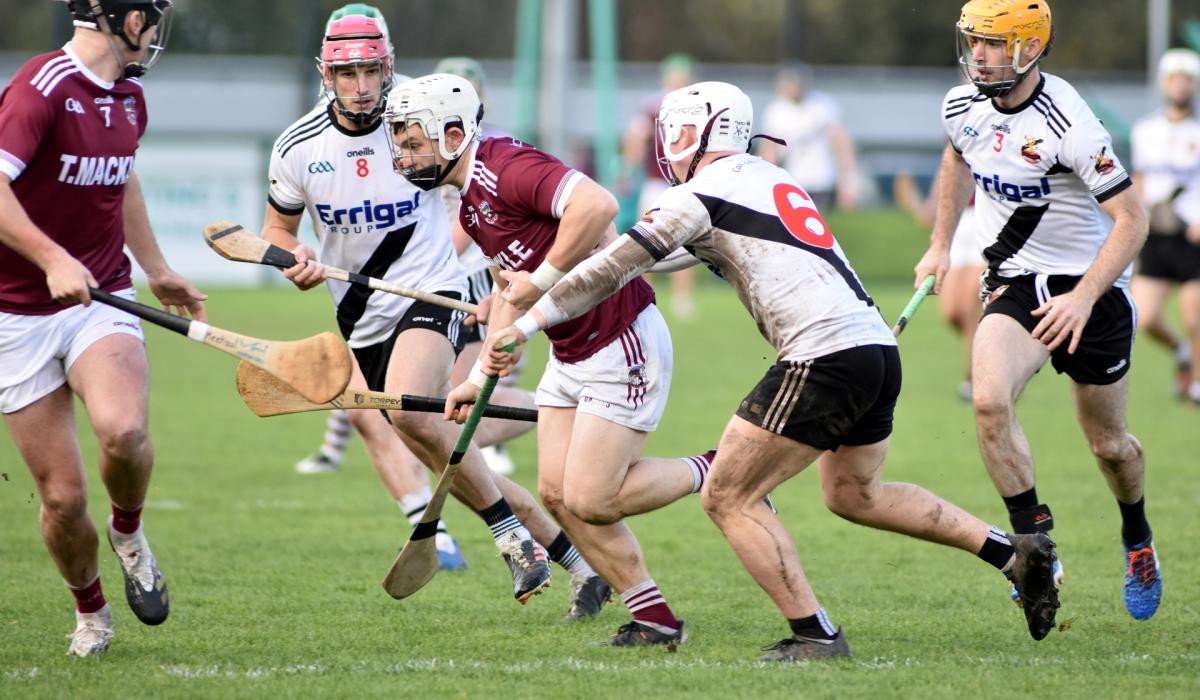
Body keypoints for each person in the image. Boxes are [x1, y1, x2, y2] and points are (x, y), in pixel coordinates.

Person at [471, 79, 1061, 660]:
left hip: (822, 356)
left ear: (705, 132)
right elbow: (637, 261)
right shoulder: (768, 178)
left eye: (676, 131)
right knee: (856, 494)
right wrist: (530, 279)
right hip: (874, 351)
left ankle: (816, 635)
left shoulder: (698, 194)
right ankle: (1013, 553)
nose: (668, 144)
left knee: (728, 495)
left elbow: (613, 269)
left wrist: (523, 320)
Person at [262, 13, 607, 615]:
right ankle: (579, 566)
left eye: (371, 70)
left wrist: (493, 283)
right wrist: (293, 258)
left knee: (415, 412)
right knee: (460, 460)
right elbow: (277, 230)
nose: (363, 86)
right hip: (359, 318)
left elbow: (478, 187)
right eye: (348, 73)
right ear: (327, 75)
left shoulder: (416, 114)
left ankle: (511, 537)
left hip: (429, 292)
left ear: (387, 66)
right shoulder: (298, 148)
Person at [387, 73, 718, 646]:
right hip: (569, 352)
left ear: (454, 133)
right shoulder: (469, 207)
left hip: (621, 338)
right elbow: (510, 294)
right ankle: (656, 619)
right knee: (558, 494)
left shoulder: (505, 166)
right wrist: (475, 380)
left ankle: (716, 469)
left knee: (594, 498)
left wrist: (538, 281)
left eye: (413, 142)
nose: (403, 154)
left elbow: (597, 204)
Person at [914, 0, 1161, 621]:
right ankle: (1036, 552)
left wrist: (1084, 298)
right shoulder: (960, 105)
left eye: (992, 44)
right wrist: (940, 244)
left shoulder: (1070, 124)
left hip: (1091, 291)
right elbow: (955, 158)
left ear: (1028, 48)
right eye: (973, 41)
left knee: (1109, 447)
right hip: (1018, 285)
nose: (978, 54)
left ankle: (1137, 536)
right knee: (991, 401)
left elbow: (1133, 219)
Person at [0, 0, 205, 657]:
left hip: (102, 297)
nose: (156, 28)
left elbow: (123, 180)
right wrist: (51, 256)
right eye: (153, 13)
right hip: (18, 313)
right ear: (127, 20)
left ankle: (129, 531)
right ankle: (90, 611)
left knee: (124, 430)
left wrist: (157, 268)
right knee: (61, 499)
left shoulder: (129, 97)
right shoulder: (41, 88)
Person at [434, 54, 535, 477]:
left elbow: (464, 222)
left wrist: (438, 263)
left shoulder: (494, 146)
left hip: (477, 277)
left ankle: (562, 411)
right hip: (451, 273)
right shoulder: (424, 143)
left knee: (471, 383)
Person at [1131, 48, 1200, 404]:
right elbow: (1139, 180)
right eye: (1174, 78)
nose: (1180, 86)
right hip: (1156, 235)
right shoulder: (1145, 130)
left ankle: (1197, 388)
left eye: (1187, 79)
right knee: (1147, 318)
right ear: (1164, 83)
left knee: (1194, 316)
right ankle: (1182, 351)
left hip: (1192, 235)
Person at [894, 170, 987, 400]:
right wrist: (911, 198)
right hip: (956, 231)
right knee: (952, 313)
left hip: (986, 224)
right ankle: (995, 353)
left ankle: (975, 382)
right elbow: (927, 215)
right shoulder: (953, 156)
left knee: (969, 309)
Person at [621, 53, 698, 319]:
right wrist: (628, 170)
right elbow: (637, 138)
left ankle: (682, 298)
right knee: (647, 240)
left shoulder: (697, 104)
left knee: (687, 241)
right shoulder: (655, 106)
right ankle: (645, 294)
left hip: (687, 183)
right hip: (657, 182)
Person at [757, 63, 859, 213]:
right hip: (792, 178)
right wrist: (763, 181)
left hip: (821, 179)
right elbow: (770, 150)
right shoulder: (776, 111)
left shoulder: (823, 105)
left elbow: (841, 144)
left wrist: (848, 181)